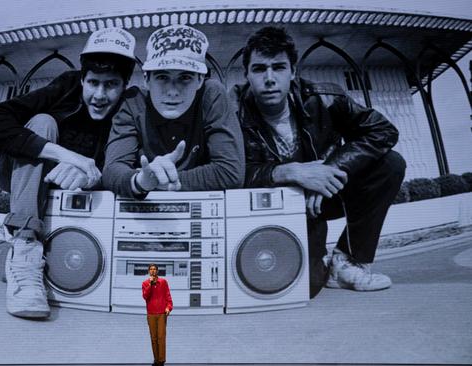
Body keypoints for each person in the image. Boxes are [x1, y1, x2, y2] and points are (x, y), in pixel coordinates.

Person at [0, 27, 137, 318]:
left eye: (111, 85)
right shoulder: (66, 87)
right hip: (10, 167)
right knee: (43, 121)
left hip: (64, 182)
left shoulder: (128, 109)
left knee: (56, 269)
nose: (99, 95)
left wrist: (88, 174)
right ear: (82, 80)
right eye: (93, 82)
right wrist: (70, 157)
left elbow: (117, 170)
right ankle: (24, 246)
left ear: (123, 86)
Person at [233, 27, 406, 297]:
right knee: (308, 285)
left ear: (293, 71)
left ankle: (346, 261)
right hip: (269, 207)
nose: (269, 79)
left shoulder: (324, 98)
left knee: (390, 164)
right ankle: (319, 265)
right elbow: (228, 174)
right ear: (246, 74)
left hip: (319, 198)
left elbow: (383, 131)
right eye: (258, 69)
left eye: (278, 67)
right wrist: (289, 172)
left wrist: (329, 169)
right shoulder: (233, 113)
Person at [103, 24, 244, 197]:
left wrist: (161, 181)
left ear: (200, 80)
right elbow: (111, 170)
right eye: (162, 77)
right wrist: (140, 181)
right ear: (147, 79)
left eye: (185, 77)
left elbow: (230, 172)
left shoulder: (211, 94)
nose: (172, 91)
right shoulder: (134, 101)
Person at [142, 264, 173, 366]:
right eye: (151, 269)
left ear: (157, 271)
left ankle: (162, 360)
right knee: (154, 338)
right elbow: (146, 296)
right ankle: (156, 360)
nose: (153, 271)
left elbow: (168, 296)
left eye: (154, 269)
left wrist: (169, 307)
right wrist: (150, 285)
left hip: (161, 314)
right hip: (151, 314)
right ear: (148, 271)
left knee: (161, 337)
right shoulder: (145, 283)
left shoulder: (163, 282)